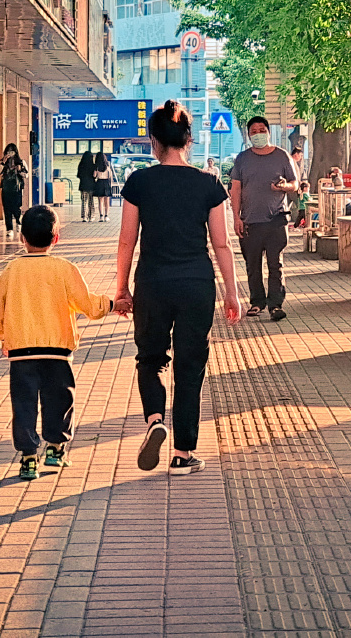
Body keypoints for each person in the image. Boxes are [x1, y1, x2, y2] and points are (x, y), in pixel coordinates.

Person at [116, 100, 241, 475]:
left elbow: (127, 241)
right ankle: (182, 454)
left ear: (154, 141)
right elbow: (221, 244)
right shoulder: (208, 183)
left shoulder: (139, 181)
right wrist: (231, 292)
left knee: (150, 358)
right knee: (190, 367)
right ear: (188, 139)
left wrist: (121, 289)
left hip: (152, 282)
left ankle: (155, 418)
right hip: (196, 284)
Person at [0, 205, 119, 481]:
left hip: (21, 352)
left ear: (22, 237)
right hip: (58, 351)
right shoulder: (64, 269)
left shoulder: (11, 271)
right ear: (56, 237)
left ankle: (27, 459)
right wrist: (111, 304)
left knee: (23, 404)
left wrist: (4, 337)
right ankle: (56, 449)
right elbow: (88, 305)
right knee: (60, 399)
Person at [231, 116, 299, 322]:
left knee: (275, 263)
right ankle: (257, 302)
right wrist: (236, 217)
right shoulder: (242, 159)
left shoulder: (282, 156)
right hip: (250, 220)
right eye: (254, 131)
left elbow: (295, 184)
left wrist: (283, 187)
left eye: (262, 130)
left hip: (276, 218)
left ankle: (275, 304)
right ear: (249, 135)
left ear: (268, 132)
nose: (258, 134)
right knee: (252, 264)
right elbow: (236, 189)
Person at [0, 144, 28, 239]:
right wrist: (3, 162)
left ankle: (18, 222)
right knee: (6, 209)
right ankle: (9, 229)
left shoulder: (21, 162)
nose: (10, 154)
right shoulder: (3, 163)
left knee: (16, 207)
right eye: (8, 152)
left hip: (17, 188)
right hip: (6, 188)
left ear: (15, 152)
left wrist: (20, 171)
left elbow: (26, 175)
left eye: (12, 151)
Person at [92, 152, 114, 222]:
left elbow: (94, 176)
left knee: (100, 201)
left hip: (99, 183)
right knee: (106, 201)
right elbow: (110, 176)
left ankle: (101, 216)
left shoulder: (97, 167)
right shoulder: (107, 166)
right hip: (106, 182)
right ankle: (106, 216)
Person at [76, 151, 96, 222]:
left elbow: (78, 175)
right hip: (91, 185)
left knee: (84, 201)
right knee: (91, 201)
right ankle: (91, 217)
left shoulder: (81, 165)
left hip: (83, 185)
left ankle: (84, 217)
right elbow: (95, 176)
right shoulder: (93, 165)